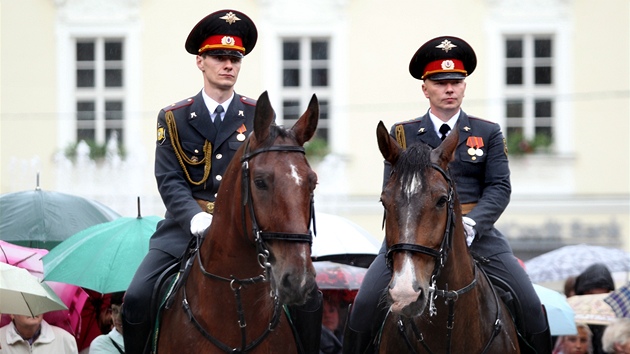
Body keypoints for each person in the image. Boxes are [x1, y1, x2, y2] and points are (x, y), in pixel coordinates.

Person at [122, 9, 322, 354]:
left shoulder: (258, 117)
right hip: (184, 228)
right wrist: (194, 217)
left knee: (309, 299)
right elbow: (169, 179)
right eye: (219, 57)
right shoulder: (175, 117)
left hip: (248, 231)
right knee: (137, 297)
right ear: (201, 62)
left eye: (235, 58)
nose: (228, 64)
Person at [343, 36, 551, 354]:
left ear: (464, 86)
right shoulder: (402, 134)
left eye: (456, 81)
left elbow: (499, 188)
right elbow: (393, 192)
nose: (449, 88)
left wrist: (472, 222)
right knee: (365, 305)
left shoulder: (487, 132)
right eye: (440, 82)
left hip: (477, 237)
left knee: (530, 304)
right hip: (413, 235)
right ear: (425, 88)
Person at [0, 314, 78, 353]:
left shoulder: (65, 340)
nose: (32, 309)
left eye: (36, 302)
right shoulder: (1, 339)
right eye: (26, 303)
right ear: (11, 313)